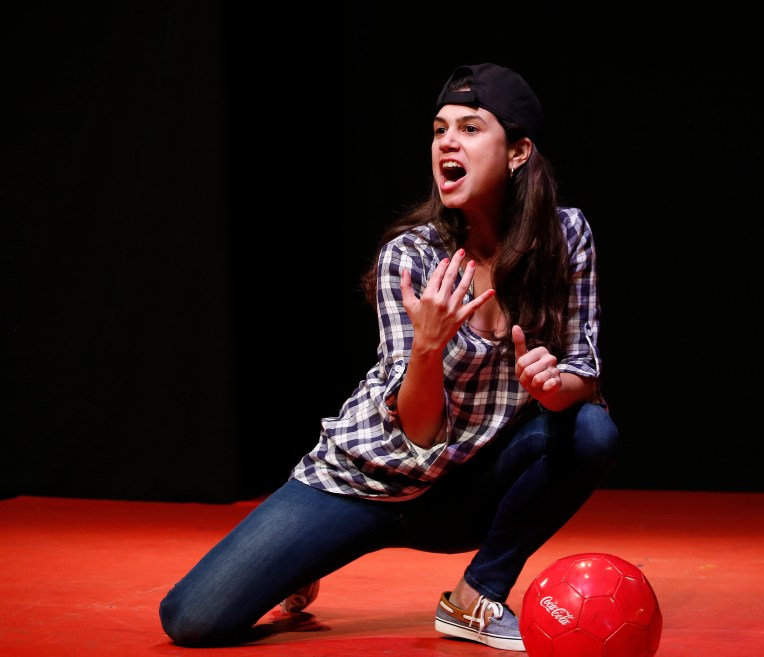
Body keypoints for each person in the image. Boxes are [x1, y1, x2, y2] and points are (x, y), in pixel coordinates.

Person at [158, 62, 619, 652]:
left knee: (591, 430)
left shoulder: (566, 236)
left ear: (518, 151)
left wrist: (555, 389)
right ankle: (305, 558)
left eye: (471, 128)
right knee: (192, 620)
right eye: (439, 129)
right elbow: (420, 433)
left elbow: (585, 369)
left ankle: (477, 596)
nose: (447, 141)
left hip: (465, 491)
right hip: (365, 483)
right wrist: (427, 349)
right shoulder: (412, 257)